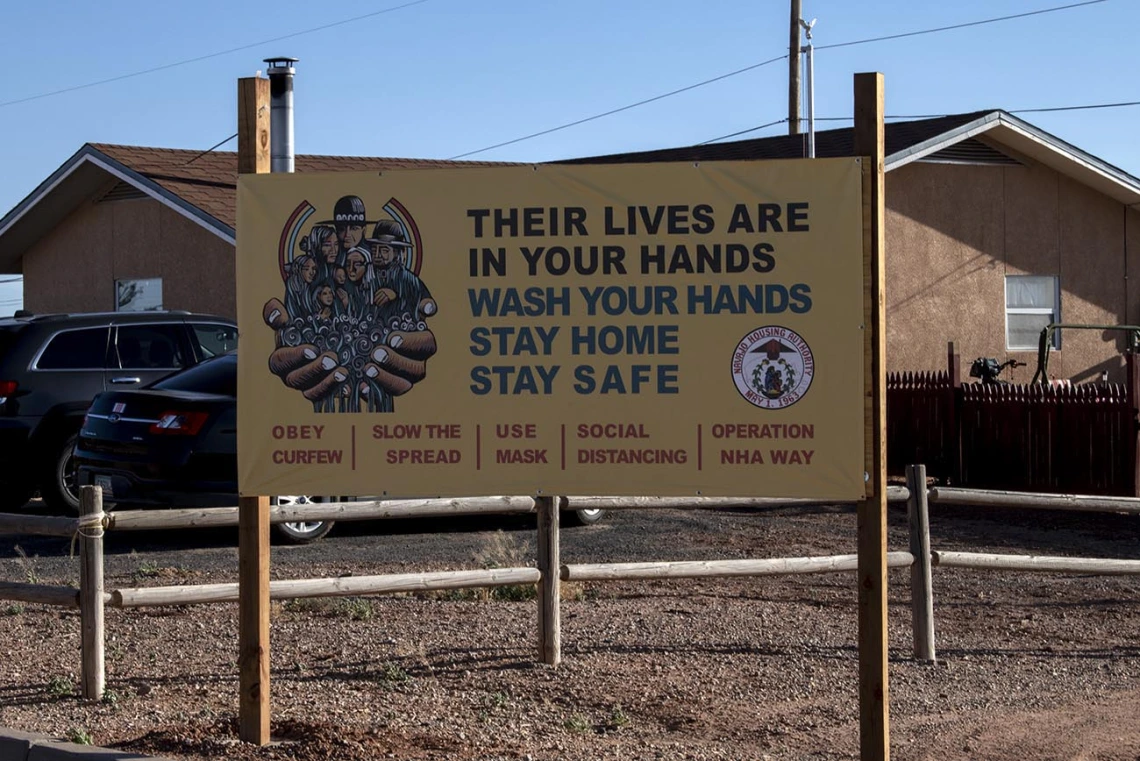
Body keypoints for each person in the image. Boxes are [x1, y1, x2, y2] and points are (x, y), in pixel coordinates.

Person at [284, 254, 318, 319]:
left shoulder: (307, 289)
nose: (312, 273)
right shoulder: (293, 288)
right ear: (298, 269)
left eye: (314, 269)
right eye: (307, 269)